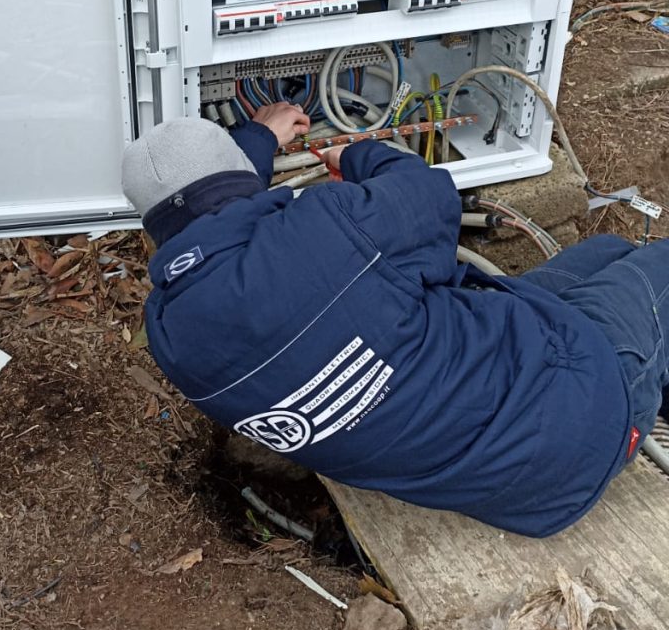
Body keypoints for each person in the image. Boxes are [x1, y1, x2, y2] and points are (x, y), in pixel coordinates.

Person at [121, 103, 669, 539]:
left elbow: (214, 216)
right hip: (584, 418)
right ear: (241, 179)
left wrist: (259, 142)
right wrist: (362, 154)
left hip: (503, 464)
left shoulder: (171, 333)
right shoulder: (325, 229)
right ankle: (646, 411)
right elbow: (430, 194)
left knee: (605, 251)